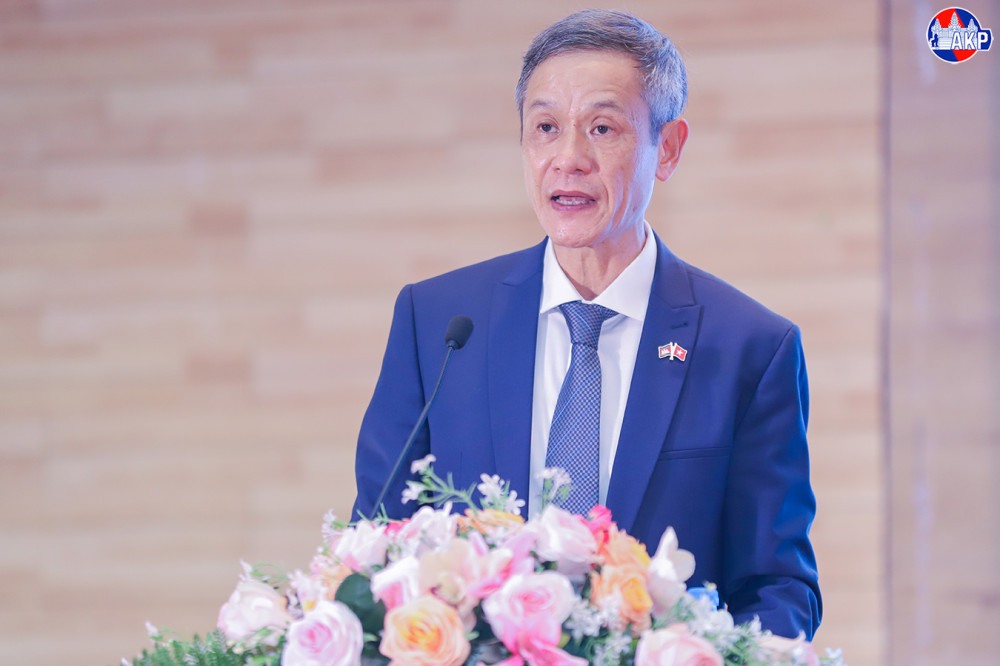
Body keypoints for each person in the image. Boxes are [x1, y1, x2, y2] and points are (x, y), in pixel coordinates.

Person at [352, 9, 821, 639]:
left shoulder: (750, 348)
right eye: (545, 128)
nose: (568, 158)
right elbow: (376, 553)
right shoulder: (439, 324)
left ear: (667, 148)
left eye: (603, 128)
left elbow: (777, 588)